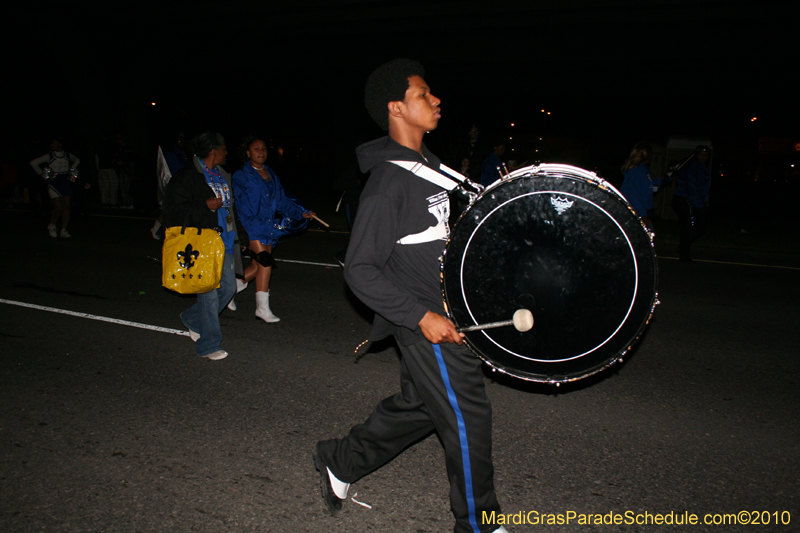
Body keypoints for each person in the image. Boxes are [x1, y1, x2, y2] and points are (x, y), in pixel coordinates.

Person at [313, 58, 505, 533]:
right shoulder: (388, 184)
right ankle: (478, 524)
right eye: (424, 95)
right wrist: (421, 316)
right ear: (396, 108)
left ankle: (341, 459)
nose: (436, 99)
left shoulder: (430, 168)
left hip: (449, 310)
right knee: (468, 420)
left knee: (423, 405)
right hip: (430, 323)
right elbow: (359, 269)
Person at [161, 131, 243, 361]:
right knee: (208, 296)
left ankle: (192, 319)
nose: (227, 152)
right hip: (201, 244)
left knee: (228, 289)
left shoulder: (222, 175)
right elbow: (172, 212)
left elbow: (231, 211)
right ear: (214, 152)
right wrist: (204, 206)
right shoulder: (188, 176)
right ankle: (208, 345)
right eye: (224, 148)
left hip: (224, 241)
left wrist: (240, 239)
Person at [232, 135, 315, 322]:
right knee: (266, 262)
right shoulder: (241, 175)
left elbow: (281, 201)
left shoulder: (270, 173)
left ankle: (229, 290)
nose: (261, 152)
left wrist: (301, 213)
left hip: (268, 227)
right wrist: (248, 227)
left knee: (257, 266)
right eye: (256, 148)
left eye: (263, 148)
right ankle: (262, 309)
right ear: (248, 152)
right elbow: (239, 205)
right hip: (251, 227)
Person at [29, 138, 80, 238]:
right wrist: (42, 174)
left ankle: (64, 230)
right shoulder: (49, 155)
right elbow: (33, 163)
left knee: (67, 206)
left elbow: (77, 160)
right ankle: (52, 225)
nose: (52, 144)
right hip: (54, 182)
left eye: (54, 143)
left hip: (64, 181)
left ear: (60, 144)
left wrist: (72, 169)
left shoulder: (67, 155)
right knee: (58, 207)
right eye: (51, 143)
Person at [672, 145, 711, 262]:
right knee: (688, 227)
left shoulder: (701, 167)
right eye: (701, 155)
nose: (703, 158)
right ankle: (684, 254)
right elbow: (692, 187)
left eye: (706, 156)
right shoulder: (692, 167)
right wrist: (700, 206)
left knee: (697, 227)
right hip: (685, 199)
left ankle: (683, 248)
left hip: (692, 200)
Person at [619, 141, 667, 229]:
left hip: (644, 209)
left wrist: (664, 180)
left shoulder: (644, 170)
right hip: (636, 211)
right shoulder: (637, 172)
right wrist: (643, 215)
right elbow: (634, 195)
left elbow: (650, 183)